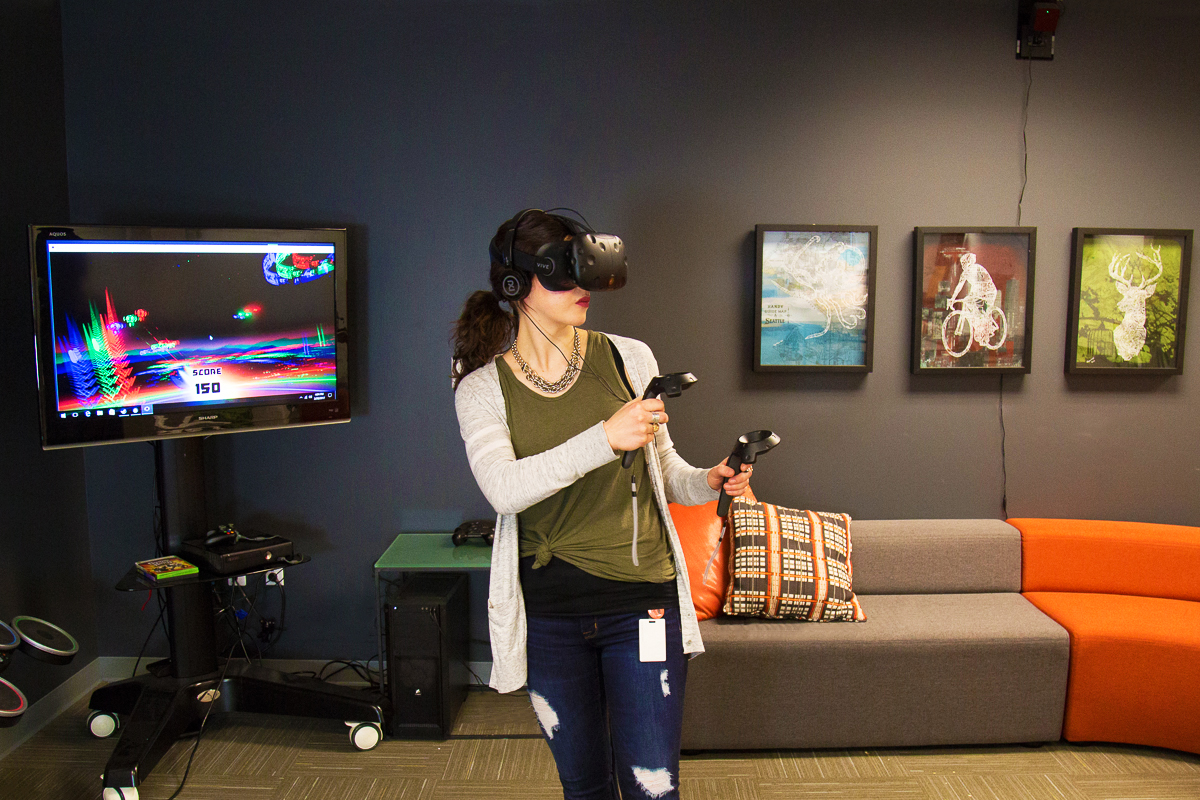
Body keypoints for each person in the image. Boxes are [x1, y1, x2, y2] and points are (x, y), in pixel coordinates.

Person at [451, 209, 752, 800]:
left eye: (583, 269)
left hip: (643, 602)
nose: (582, 287)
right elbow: (504, 490)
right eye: (562, 273)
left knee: (652, 788)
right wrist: (603, 438)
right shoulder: (482, 387)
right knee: (584, 787)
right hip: (551, 618)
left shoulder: (629, 358)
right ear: (516, 286)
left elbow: (665, 473)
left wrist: (711, 480)